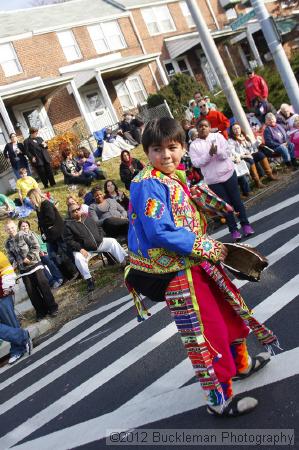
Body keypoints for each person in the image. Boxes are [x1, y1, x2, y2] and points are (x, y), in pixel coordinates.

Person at [125, 117, 276, 417]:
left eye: (172, 147)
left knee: (228, 315)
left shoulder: (172, 176)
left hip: (197, 264)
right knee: (205, 333)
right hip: (178, 273)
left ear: (182, 147)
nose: (165, 155)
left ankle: (240, 365)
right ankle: (218, 398)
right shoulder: (147, 183)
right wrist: (210, 247)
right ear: (146, 152)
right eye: (157, 149)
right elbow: (159, 231)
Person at [190, 119, 254, 241]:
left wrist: (217, 151)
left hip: (228, 174)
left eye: (205, 126)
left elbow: (227, 153)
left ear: (209, 127)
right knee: (225, 205)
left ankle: (245, 225)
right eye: (200, 126)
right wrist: (209, 154)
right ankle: (234, 230)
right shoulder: (194, 145)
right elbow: (196, 163)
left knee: (236, 201)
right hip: (213, 181)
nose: (203, 128)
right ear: (197, 129)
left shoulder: (217, 136)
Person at [64, 204, 128, 292]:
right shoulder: (68, 225)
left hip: (99, 243)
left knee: (112, 241)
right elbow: (69, 241)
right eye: (73, 211)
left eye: (77, 209)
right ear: (69, 214)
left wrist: (100, 237)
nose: (76, 211)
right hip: (85, 249)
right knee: (78, 258)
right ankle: (89, 280)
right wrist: (80, 249)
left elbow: (99, 227)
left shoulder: (88, 218)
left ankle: (124, 263)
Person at [5, 220, 58, 321]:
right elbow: (10, 256)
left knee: (44, 288)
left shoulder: (24, 234)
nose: (10, 230)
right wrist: (13, 263)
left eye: (12, 228)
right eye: (8, 229)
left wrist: (29, 257)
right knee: (32, 293)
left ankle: (53, 308)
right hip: (23, 271)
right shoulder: (7, 243)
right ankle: (41, 312)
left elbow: (35, 246)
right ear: (6, 230)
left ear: (15, 227)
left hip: (35, 266)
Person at [27, 189, 77, 281]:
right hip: (50, 236)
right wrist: (43, 232)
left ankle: (78, 271)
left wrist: (41, 223)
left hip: (59, 233)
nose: (30, 200)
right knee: (53, 257)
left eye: (30, 198)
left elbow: (50, 219)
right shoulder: (38, 208)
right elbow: (43, 224)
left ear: (35, 196)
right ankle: (67, 277)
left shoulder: (46, 204)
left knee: (68, 253)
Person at [0, 251, 33, 364]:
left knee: (10, 322)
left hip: (2, 294)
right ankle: (22, 337)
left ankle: (17, 349)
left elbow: (6, 269)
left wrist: (7, 285)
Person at [228, 123, 278, 188]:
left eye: (238, 128)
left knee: (260, 155)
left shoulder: (245, 136)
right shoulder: (231, 141)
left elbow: (252, 147)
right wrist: (244, 155)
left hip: (250, 154)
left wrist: (257, 141)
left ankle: (270, 175)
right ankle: (257, 182)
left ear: (240, 129)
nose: (237, 130)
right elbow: (233, 152)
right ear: (232, 131)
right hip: (242, 157)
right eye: (234, 129)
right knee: (250, 160)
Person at [18, 220, 63, 289]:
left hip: (40, 253)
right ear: (19, 228)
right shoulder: (19, 237)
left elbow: (42, 243)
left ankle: (58, 277)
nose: (25, 227)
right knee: (40, 264)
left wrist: (43, 251)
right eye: (23, 226)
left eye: (26, 225)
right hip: (31, 258)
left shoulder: (33, 233)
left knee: (47, 259)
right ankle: (52, 282)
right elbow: (23, 250)